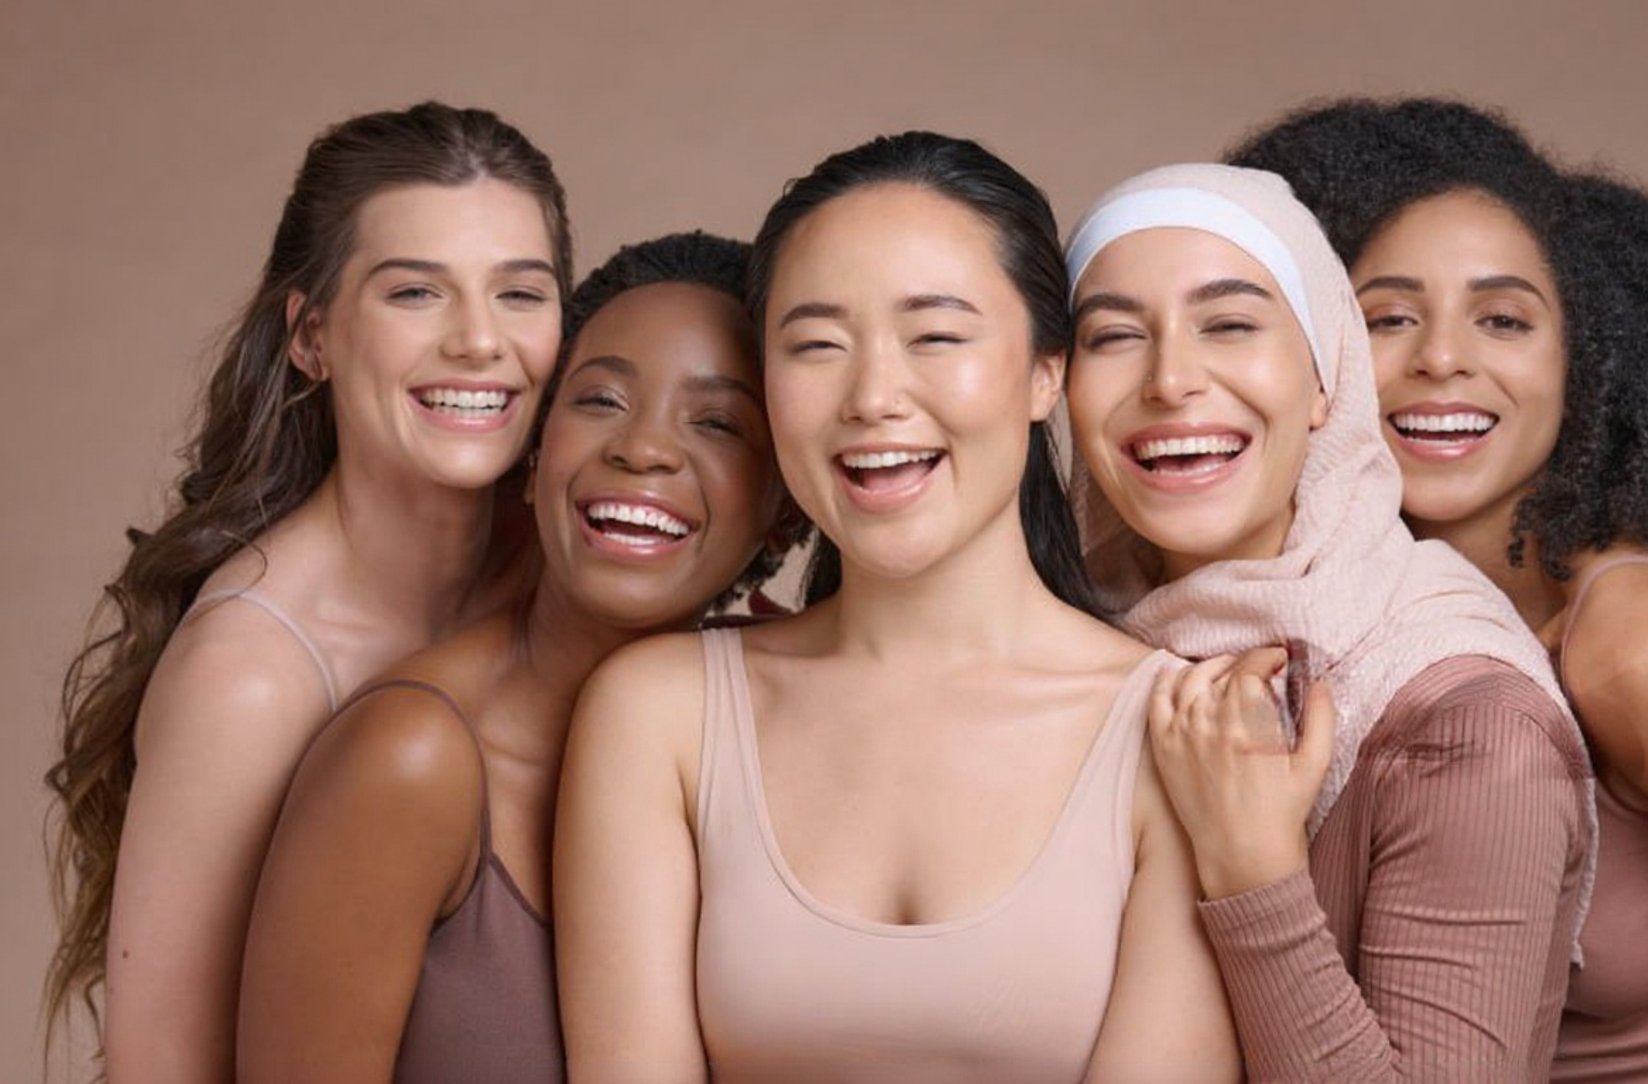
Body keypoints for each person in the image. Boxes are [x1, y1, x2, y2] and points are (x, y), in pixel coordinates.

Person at [1231, 96, 1648, 1080]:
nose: (1442, 358)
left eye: (1503, 320)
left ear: (1585, 363)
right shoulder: (1314, 625)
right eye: (1388, 318)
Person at [555, 132, 1239, 1083]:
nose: (873, 397)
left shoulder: (1182, 729)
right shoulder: (658, 713)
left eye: (936, 337)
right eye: (817, 346)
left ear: (1046, 373)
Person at [43, 102, 572, 1082]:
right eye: (415, 292)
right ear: (312, 337)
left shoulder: (574, 581)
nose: (479, 340)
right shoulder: (249, 676)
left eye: (520, 293)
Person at [1063, 161, 1594, 1082]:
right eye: (1113, 336)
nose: (1171, 380)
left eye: (1230, 325)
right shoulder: (1066, 644)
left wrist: (1253, 870)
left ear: (1325, 378)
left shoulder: (1467, 720)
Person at [234, 232, 789, 1084]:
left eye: (717, 422)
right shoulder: (413, 756)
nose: (643, 449)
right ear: (534, 455)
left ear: (786, 512)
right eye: (601, 400)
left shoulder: (791, 737)